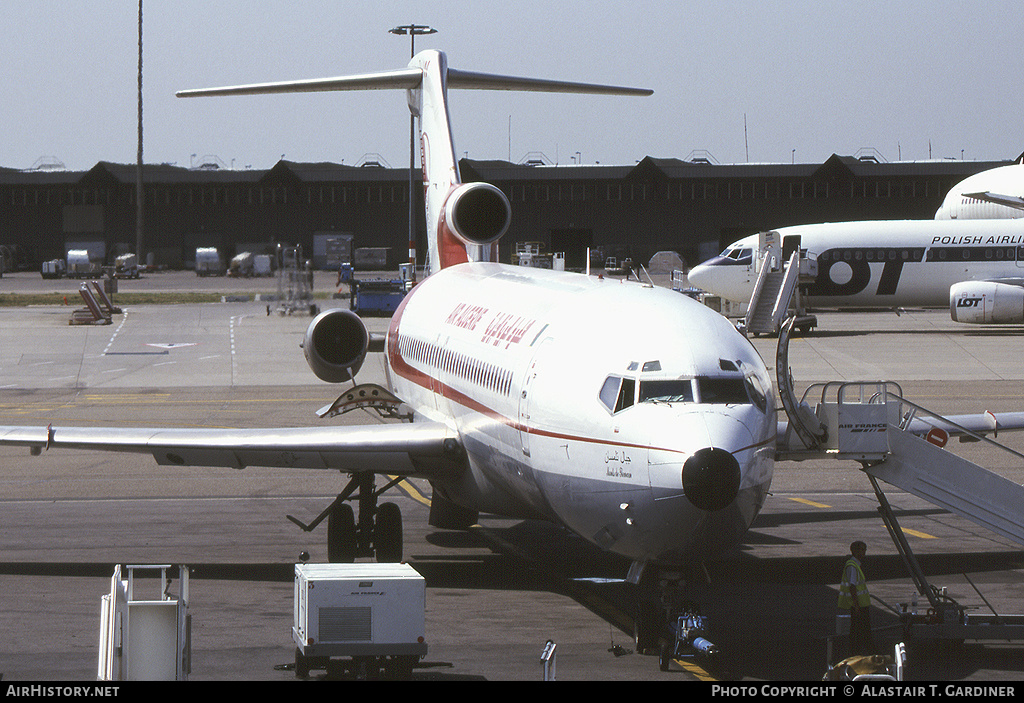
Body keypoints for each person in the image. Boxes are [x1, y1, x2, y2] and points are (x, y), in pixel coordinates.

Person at [838, 540, 876, 655]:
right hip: (859, 606)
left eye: (865, 550)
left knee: (858, 632)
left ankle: (857, 653)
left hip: (861, 605)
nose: (863, 552)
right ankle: (868, 654)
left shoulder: (855, 565)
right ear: (854, 551)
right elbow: (852, 586)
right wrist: (856, 606)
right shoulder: (852, 566)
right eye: (861, 550)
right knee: (861, 632)